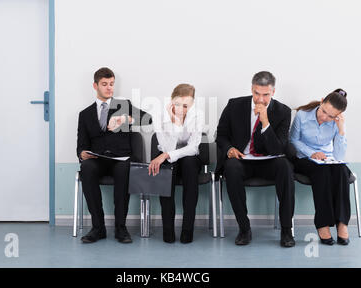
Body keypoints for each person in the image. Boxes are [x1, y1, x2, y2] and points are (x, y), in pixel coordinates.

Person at [216, 71, 295, 248]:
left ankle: (286, 230)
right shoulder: (234, 105)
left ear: (273, 92)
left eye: (265, 95)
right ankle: (244, 229)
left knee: (285, 166)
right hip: (242, 160)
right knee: (231, 168)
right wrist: (229, 149)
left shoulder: (283, 112)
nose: (260, 99)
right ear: (252, 89)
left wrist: (265, 122)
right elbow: (220, 135)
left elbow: (278, 149)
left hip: (268, 161)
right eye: (257, 93)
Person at [77, 67, 152, 244]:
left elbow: (148, 119)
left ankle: (121, 227)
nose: (109, 88)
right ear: (95, 86)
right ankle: (98, 228)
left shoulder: (123, 105)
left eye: (111, 84)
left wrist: (127, 119)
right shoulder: (85, 114)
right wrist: (82, 153)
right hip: (98, 160)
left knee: (123, 169)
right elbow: (81, 145)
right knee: (86, 168)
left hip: (121, 159)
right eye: (105, 84)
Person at [290, 88, 350, 245]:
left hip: (327, 159)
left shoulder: (336, 123)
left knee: (342, 170)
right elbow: (293, 141)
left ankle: (342, 223)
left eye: (331, 116)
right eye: (324, 111)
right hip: (304, 159)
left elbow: (339, 156)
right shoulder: (302, 116)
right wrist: (312, 153)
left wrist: (341, 130)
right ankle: (323, 224)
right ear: (322, 101)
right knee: (321, 172)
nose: (324, 117)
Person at [148, 84, 204, 244]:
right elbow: (166, 147)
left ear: (192, 104)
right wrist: (176, 123)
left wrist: (167, 155)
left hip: (189, 157)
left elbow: (193, 147)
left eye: (186, 105)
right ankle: (168, 230)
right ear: (172, 101)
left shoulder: (197, 115)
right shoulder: (160, 115)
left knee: (189, 165)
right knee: (166, 170)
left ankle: (187, 230)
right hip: (167, 154)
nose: (181, 109)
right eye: (178, 104)